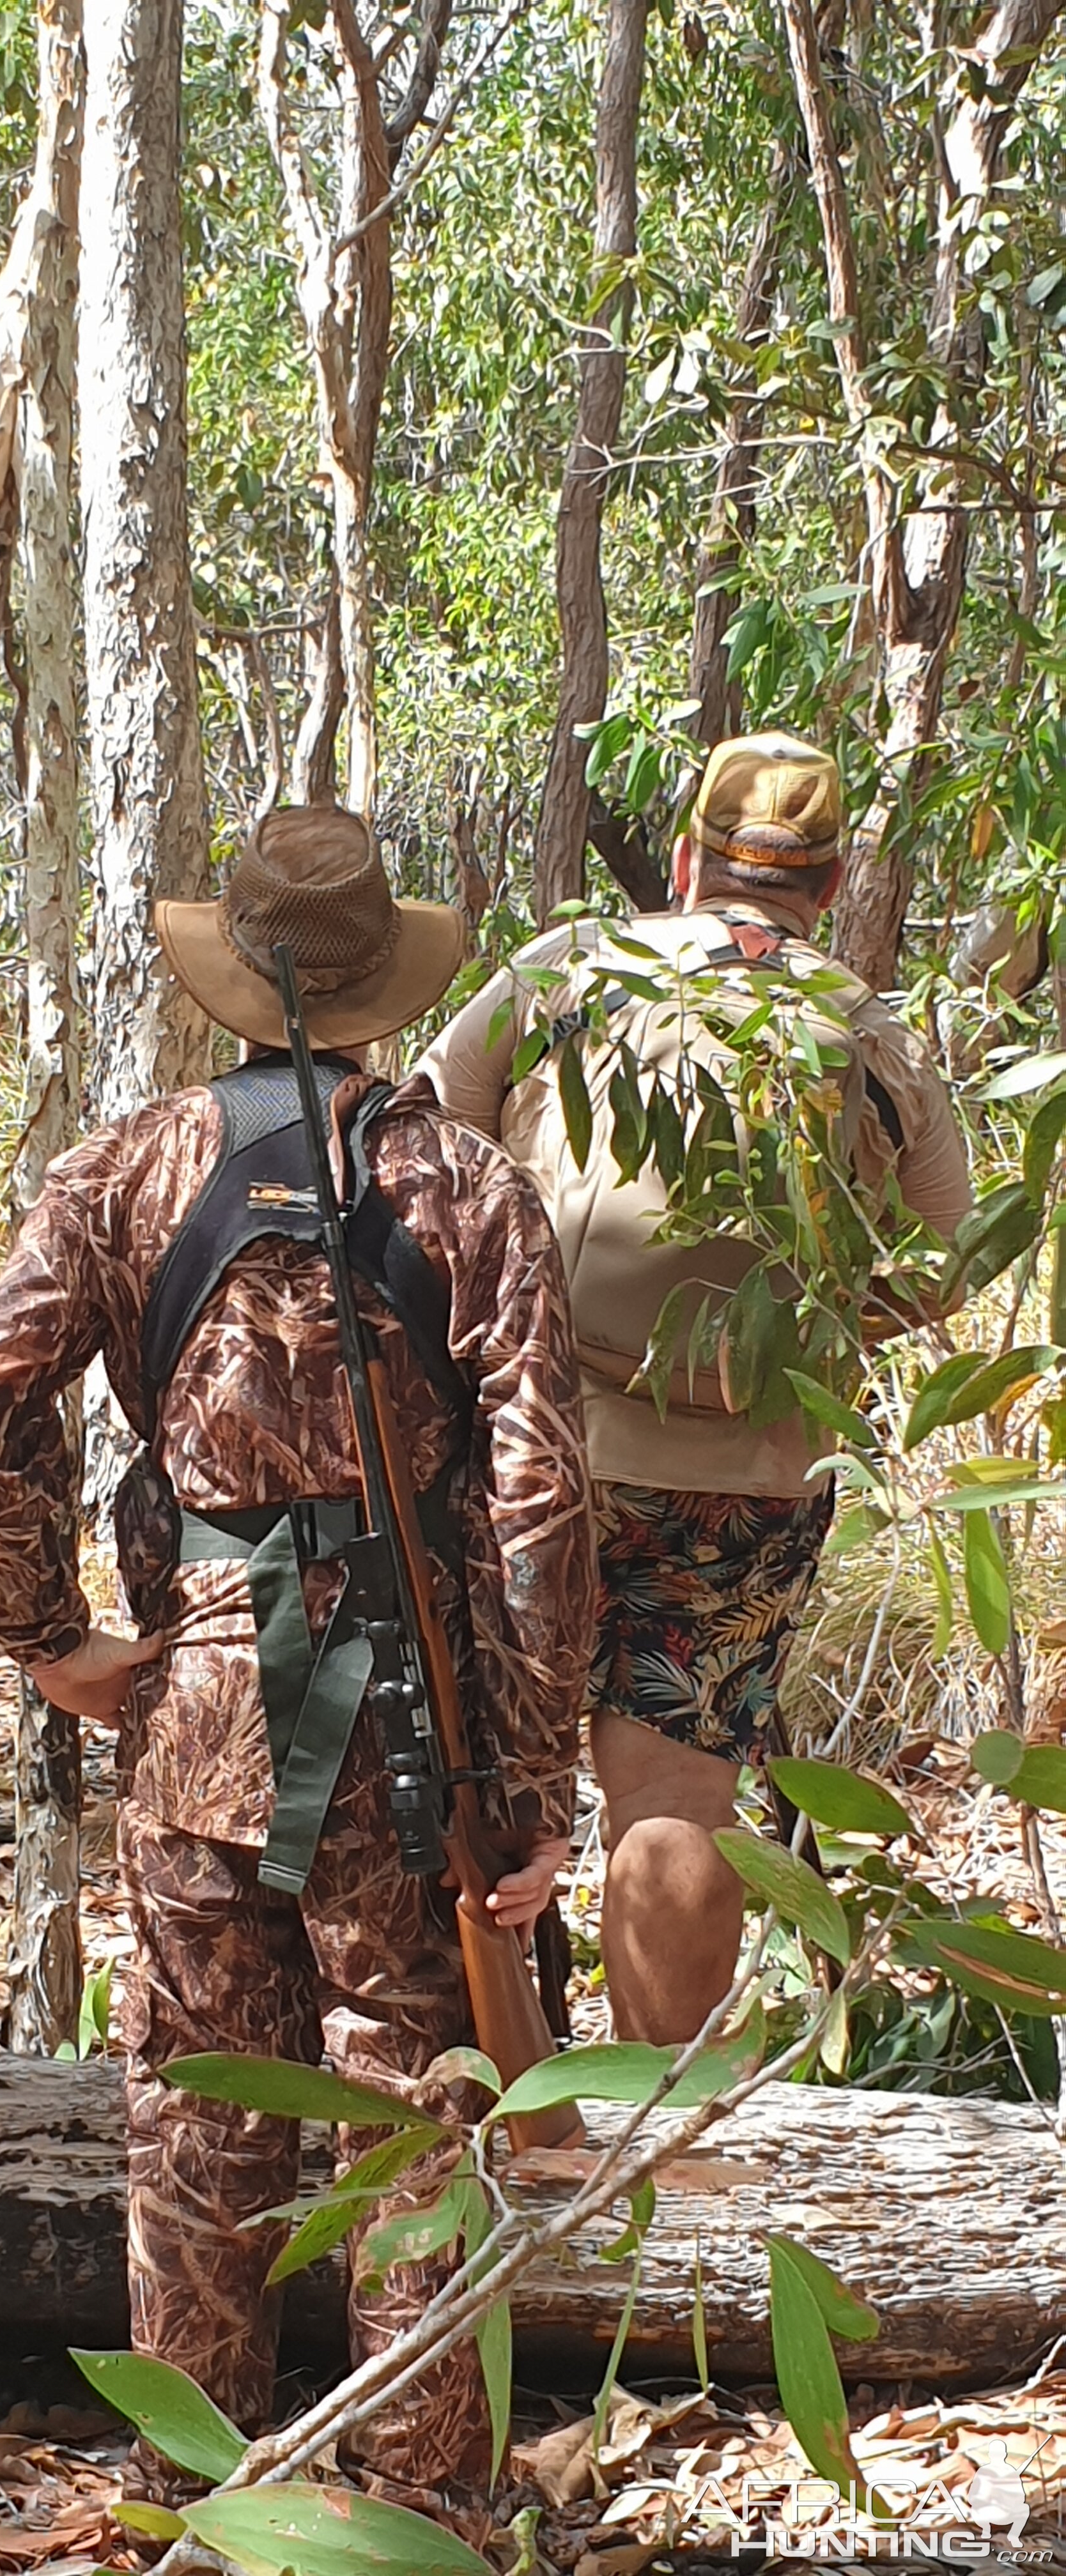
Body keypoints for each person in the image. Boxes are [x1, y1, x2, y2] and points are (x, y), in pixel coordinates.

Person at [0, 808, 596, 2507]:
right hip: (407, 1717)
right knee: (408, 2115)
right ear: (382, 984)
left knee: (201, 2117)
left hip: (206, 1703)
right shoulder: (463, 1184)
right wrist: (528, 1775)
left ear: (238, 979)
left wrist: (57, 1642)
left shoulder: (125, 1170)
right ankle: (423, 2515)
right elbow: (541, 1493)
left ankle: (190, 2504)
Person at [426, 733, 971, 2046]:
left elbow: (428, 1124)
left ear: (684, 862)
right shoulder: (864, 1027)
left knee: (479, 1765)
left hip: (528, 1437)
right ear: (830, 889)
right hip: (743, 1475)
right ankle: (654, 2150)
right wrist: (816, 1338)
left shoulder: (568, 974)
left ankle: (491, 2117)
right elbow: (950, 1253)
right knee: (677, 1795)